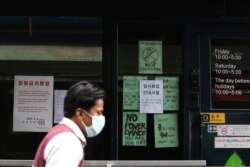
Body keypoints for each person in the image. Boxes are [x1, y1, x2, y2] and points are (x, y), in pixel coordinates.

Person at [33, 81, 105, 167]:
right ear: (80, 114)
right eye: (99, 112)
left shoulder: (60, 133)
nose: (101, 117)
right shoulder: (68, 141)